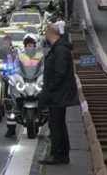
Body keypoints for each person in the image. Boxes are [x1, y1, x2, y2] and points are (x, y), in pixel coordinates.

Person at [38, 26, 79, 165]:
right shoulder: (59, 48)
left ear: (49, 35)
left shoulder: (60, 50)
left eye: (45, 34)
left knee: (55, 124)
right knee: (59, 123)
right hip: (59, 94)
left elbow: (59, 73)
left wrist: (49, 90)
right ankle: (63, 154)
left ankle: (56, 154)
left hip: (58, 94)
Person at [4, 33, 43, 137]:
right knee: (10, 99)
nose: (29, 46)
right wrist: (11, 72)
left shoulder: (40, 55)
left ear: (35, 45)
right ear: (24, 45)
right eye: (27, 45)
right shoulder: (20, 55)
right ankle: (11, 128)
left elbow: (43, 66)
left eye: (31, 45)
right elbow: (16, 67)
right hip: (24, 81)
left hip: (35, 80)